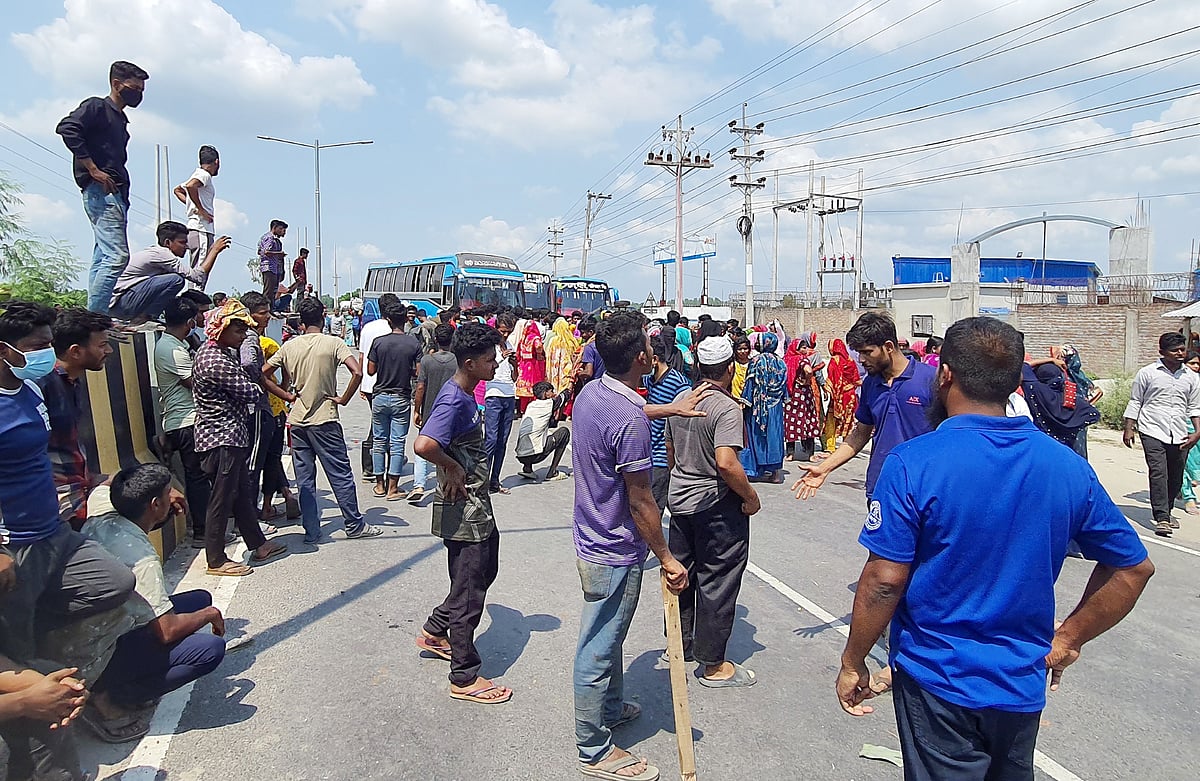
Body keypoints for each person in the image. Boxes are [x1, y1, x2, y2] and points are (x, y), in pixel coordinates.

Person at [838, 316, 1155, 781]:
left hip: (938, 678)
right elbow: (1132, 568)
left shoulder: (914, 462)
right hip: (1021, 682)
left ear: (944, 375)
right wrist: (1067, 638)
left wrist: (853, 661)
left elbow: (884, 581)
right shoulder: (1065, 466)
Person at [570, 311, 692, 781]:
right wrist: (666, 557)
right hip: (613, 547)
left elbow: (630, 413)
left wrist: (669, 410)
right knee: (598, 645)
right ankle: (593, 747)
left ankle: (612, 706)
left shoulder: (594, 394)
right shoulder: (628, 419)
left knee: (611, 635)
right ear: (642, 356)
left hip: (589, 535)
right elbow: (642, 502)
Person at [794, 311, 936, 694]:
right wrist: (826, 467)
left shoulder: (928, 380)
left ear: (889, 346)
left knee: (924, 568)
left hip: (927, 492)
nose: (862, 360)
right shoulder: (871, 386)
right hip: (882, 491)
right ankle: (897, 640)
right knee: (888, 567)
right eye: (858, 352)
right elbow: (859, 434)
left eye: (867, 352)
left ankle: (922, 644)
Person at [0, 301, 136, 664]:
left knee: (115, 582)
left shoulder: (29, 391)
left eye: (49, 343)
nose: (47, 354)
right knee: (16, 641)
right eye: (36, 346)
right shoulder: (27, 391)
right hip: (15, 540)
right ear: (4, 350)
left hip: (53, 527)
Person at [82, 465, 226, 741]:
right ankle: (115, 695)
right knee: (210, 648)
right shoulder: (143, 560)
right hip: (102, 649)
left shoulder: (100, 507)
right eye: (166, 494)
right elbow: (167, 630)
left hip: (97, 626)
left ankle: (121, 680)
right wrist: (209, 615)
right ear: (155, 505)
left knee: (199, 598)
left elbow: (113, 478)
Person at [412, 323, 512, 704]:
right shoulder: (454, 399)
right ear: (470, 363)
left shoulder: (469, 393)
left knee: (484, 571)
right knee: (470, 591)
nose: (495, 364)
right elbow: (424, 444)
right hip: (463, 509)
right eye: (490, 360)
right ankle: (464, 676)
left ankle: (437, 629)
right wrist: (452, 468)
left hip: (477, 505)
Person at [664, 336, 760, 686]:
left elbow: (671, 450)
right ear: (730, 368)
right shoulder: (725, 408)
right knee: (718, 578)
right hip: (715, 502)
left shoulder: (680, 400)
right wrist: (750, 496)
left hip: (681, 499)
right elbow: (726, 462)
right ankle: (713, 663)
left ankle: (680, 642)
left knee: (682, 572)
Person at [262, 299, 382, 543]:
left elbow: (262, 373)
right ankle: (354, 523)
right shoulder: (334, 343)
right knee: (340, 473)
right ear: (323, 316)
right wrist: (343, 399)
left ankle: (312, 530)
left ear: (302, 322)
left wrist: (285, 395)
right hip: (325, 417)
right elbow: (357, 372)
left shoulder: (289, 346)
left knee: (305, 478)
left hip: (297, 421)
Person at [192, 299, 287, 576]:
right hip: (221, 437)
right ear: (220, 329)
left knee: (242, 493)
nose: (243, 335)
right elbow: (251, 391)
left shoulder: (220, 352)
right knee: (222, 499)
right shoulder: (214, 358)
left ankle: (258, 543)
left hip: (231, 433)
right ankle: (216, 559)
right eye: (238, 331)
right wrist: (258, 387)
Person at [56, 60, 149, 314]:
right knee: (117, 256)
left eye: (141, 89)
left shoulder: (121, 119)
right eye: (134, 88)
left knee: (102, 256)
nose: (138, 93)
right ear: (116, 84)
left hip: (116, 192)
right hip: (101, 190)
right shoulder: (97, 106)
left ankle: (93, 315)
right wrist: (92, 168)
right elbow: (67, 128)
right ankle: (96, 318)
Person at [1123, 331, 1200, 537]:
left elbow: (1194, 407)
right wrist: (1129, 427)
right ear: (1162, 352)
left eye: (1182, 350)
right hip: (1152, 429)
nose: (1180, 353)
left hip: (1180, 432)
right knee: (1158, 472)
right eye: (1174, 350)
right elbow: (1136, 401)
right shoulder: (1148, 373)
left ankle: (1168, 510)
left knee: (1176, 475)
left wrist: (1197, 432)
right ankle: (1162, 518)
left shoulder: (1192, 377)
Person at [42, 307, 113, 527]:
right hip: (56, 497)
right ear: (75, 351)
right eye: (102, 345)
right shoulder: (43, 384)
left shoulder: (72, 381)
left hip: (77, 486)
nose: (109, 350)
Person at [154, 298, 211, 546]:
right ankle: (202, 531)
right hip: (186, 420)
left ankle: (205, 527)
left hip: (183, 420)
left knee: (200, 476)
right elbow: (195, 383)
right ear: (189, 322)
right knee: (198, 477)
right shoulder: (173, 349)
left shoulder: (173, 344)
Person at [110, 221, 231, 324]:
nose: (186, 247)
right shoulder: (163, 254)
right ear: (168, 242)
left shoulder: (158, 255)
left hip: (122, 303)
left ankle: (148, 317)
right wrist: (214, 251)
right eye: (182, 242)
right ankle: (146, 318)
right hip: (122, 302)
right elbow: (197, 277)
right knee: (176, 280)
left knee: (172, 292)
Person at [367, 303, 422, 500]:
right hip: (401, 396)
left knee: (379, 441)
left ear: (388, 320)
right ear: (406, 320)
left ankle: (379, 485)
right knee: (397, 442)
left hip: (380, 396)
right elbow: (418, 372)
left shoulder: (378, 342)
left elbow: (370, 371)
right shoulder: (413, 344)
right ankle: (393, 489)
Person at [237, 292, 279, 533]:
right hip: (256, 408)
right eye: (263, 313)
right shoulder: (251, 338)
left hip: (255, 408)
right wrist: (257, 384)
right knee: (253, 465)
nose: (267, 317)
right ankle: (251, 522)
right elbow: (249, 364)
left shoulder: (252, 337)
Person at [643, 334, 692, 512]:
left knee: (653, 512)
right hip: (645, 457)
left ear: (654, 360)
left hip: (662, 460)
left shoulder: (680, 386)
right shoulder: (647, 381)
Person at [410, 324, 458, 504]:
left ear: (436, 340)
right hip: (451, 413)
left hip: (430, 412)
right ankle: (443, 485)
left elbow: (420, 387)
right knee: (447, 450)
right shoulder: (457, 361)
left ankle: (419, 485)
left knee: (423, 448)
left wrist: (417, 410)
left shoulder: (427, 361)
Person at [358, 293, 402, 483]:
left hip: (369, 382)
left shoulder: (368, 327)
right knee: (386, 429)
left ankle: (371, 466)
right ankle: (381, 466)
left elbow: (361, 356)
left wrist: (361, 383)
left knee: (377, 425)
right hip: (389, 382)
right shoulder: (395, 329)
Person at [739, 332, 787, 483]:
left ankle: (756, 469)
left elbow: (751, 384)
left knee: (756, 436)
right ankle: (776, 473)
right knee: (775, 437)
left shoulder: (755, 361)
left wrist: (744, 402)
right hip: (776, 407)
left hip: (757, 407)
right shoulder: (781, 362)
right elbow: (784, 386)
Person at [483, 314, 518, 495]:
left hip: (509, 394)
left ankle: (494, 481)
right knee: (490, 439)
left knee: (502, 442)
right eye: (502, 331)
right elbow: (487, 370)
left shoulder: (510, 345)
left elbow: (514, 377)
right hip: (494, 394)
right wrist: (502, 358)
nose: (505, 335)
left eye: (508, 332)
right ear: (496, 328)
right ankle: (483, 480)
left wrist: (515, 364)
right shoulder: (490, 347)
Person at [172, 145, 219, 270]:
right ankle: (196, 290)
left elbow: (178, 190)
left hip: (195, 228)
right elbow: (190, 186)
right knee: (201, 268)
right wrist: (201, 210)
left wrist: (192, 204)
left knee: (197, 266)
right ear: (216, 162)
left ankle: (195, 289)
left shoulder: (198, 174)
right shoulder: (205, 175)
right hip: (201, 228)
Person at [515, 381, 571, 481]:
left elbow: (551, 424)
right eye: (551, 391)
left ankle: (527, 468)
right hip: (534, 455)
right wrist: (569, 385)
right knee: (564, 432)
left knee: (536, 435)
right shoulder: (548, 403)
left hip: (521, 456)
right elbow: (564, 396)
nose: (553, 394)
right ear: (545, 393)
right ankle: (552, 472)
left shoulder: (531, 405)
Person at [783, 337, 824, 463]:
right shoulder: (802, 359)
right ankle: (810, 454)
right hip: (804, 394)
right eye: (803, 347)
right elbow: (809, 370)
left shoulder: (786, 359)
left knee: (791, 422)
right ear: (797, 349)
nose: (806, 350)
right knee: (808, 421)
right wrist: (807, 380)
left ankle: (790, 454)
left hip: (791, 395)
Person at [1059, 344, 1103, 459]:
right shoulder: (1059, 374)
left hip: (1072, 418)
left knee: (1077, 449)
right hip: (1068, 417)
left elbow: (1096, 391)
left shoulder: (1072, 376)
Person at [823, 338, 861, 454]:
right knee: (848, 420)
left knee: (832, 419)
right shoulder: (850, 360)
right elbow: (856, 379)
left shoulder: (835, 360)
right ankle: (847, 446)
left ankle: (830, 446)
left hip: (838, 395)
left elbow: (832, 377)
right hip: (850, 395)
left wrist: (828, 390)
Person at [514, 318, 546, 415]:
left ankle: (523, 409)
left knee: (525, 388)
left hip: (524, 364)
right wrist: (540, 354)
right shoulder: (535, 338)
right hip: (533, 364)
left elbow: (518, 353)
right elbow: (539, 347)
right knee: (534, 385)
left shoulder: (523, 339)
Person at [546, 315, 582, 394]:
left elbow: (547, 355)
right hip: (566, 372)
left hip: (553, 371)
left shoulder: (553, 340)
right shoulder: (571, 341)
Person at [1183, 351, 1200, 515]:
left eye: (1197, 364)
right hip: (1185, 426)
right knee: (1186, 464)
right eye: (1192, 363)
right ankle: (1189, 498)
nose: (1195, 367)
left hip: (1198, 426)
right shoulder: (1180, 381)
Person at [258, 220, 288, 303]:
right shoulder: (269, 237)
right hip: (268, 267)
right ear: (274, 228)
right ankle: (266, 309)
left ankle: (271, 309)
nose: (283, 232)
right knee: (268, 290)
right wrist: (279, 253)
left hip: (274, 268)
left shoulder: (275, 240)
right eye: (281, 229)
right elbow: (266, 252)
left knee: (273, 291)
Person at [577, 317, 604, 386]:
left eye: (582, 333)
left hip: (594, 385)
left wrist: (578, 373)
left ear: (590, 332)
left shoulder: (589, 348)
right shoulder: (605, 343)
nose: (581, 336)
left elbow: (588, 373)